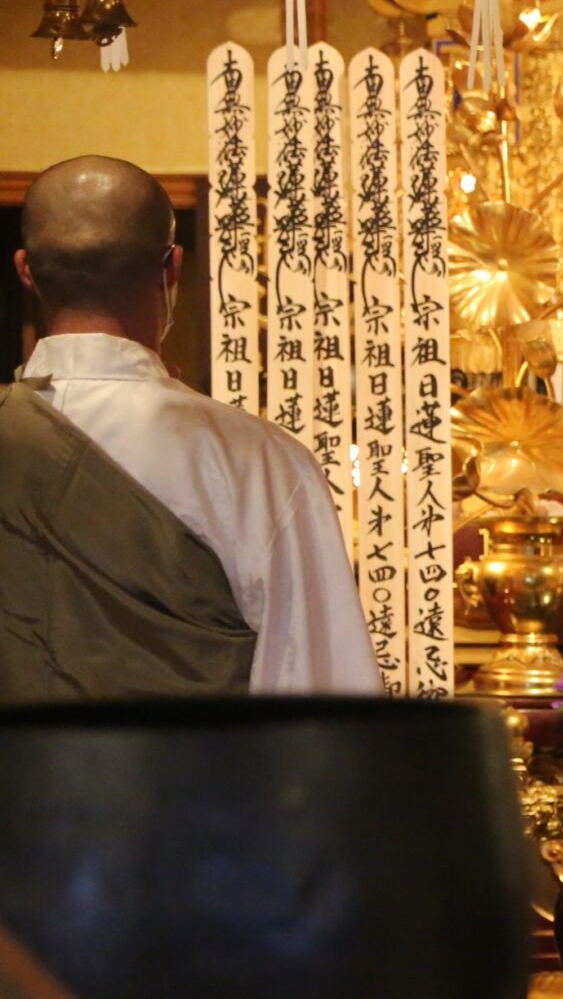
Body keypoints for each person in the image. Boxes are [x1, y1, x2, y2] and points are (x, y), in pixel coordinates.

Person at [1, 155, 377, 699]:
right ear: (172, 267)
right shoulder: (257, 461)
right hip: (192, 759)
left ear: (25, 270)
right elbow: (323, 698)